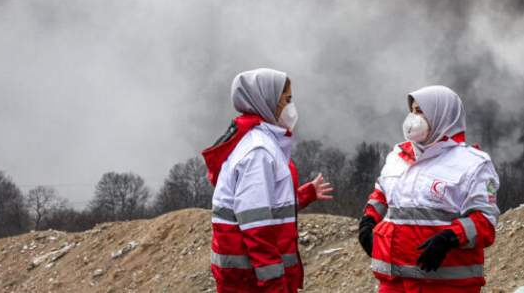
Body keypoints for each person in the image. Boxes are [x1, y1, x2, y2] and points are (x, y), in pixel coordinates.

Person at [202, 68, 334, 293]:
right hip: (252, 283)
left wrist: (303, 195)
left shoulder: (254, 142)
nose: (292, 107)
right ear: (267, 101)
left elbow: (260, 204)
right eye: (287, 99)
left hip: (243, 280)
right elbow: (257, 226)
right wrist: (274, 285)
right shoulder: (259, 152)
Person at [358, 85, 500, 293]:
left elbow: (485, 220)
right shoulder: (397, 157)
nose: (412, 118)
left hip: (446, 285)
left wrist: (449, 239)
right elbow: (381, 195)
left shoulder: (473, 164)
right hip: (394, 281)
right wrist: (368, 221)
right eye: (412, 111)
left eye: (420, 111)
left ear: (441, 115)